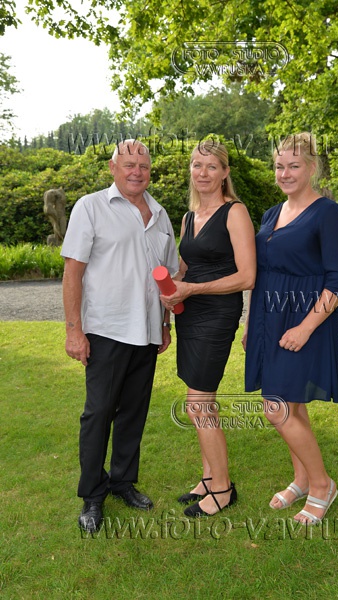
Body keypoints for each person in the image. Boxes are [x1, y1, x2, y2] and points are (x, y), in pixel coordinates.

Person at [61, 140, 179, 533]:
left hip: (146, 332)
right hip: (106, 330)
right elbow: (73, 272)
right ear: (113, 168)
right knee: (98, 413)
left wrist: (165, 324)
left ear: (150, 172)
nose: (136, 172)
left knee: (133, 412)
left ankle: (123, 482)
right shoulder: (90, 207)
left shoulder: (160, 214)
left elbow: (168, 276)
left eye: (143, 166)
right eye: (128, 165)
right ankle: (92, 495)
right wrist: (74, 331)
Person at [243, 132, 338, 525]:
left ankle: (323, 485)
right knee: (290, 403)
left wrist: (306, 327)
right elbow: (261, 274)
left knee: (275, 407)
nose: (285, 173)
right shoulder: (271, 213)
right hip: (268, 319)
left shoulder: (329, 214)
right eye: (279, 166)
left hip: (306, 319)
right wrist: (251, 324)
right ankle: (302, 479)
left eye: (293, 165)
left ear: (311, 168)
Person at [160, 140, 256, 517]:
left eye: (211, 166)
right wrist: (173, 286)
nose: (203, 173)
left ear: (225, 173)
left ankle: (222, 489)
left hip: (217, 313)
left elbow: (247, 276)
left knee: (197, 403)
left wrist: (192, 289)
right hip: (189, 313)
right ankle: (208, 477)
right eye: (197, 165)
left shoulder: (235, 212)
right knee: (201, 399)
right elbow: (188, 268)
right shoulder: (189, 217)